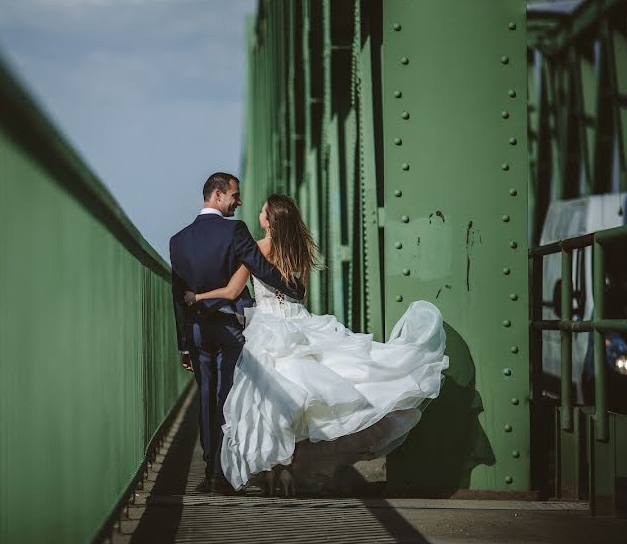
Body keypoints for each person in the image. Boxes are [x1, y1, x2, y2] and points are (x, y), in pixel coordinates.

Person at [184, 194, 449, 496]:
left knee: (269, 400)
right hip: (299, 324)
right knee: (307, 394)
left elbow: (232, 291)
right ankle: (287, 473)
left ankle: (275, 471)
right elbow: (301, 297)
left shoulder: (256, 249)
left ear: (269, 220)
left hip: (267, 328)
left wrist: (198, 297)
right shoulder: (298, 252)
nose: (258, 213)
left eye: (262, 211)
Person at [170, 174, 304, 494]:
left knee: (206, 396)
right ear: (218, 195)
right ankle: (223, 470)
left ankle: (210, 473)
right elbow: (262, 268)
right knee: (227, 397)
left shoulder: (178, 240)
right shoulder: (235, 230)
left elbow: (178, 296)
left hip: (198, 330)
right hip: (230, 327)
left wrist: (183, 344)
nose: (239, 202)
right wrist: (293, 291)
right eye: (235, 195)